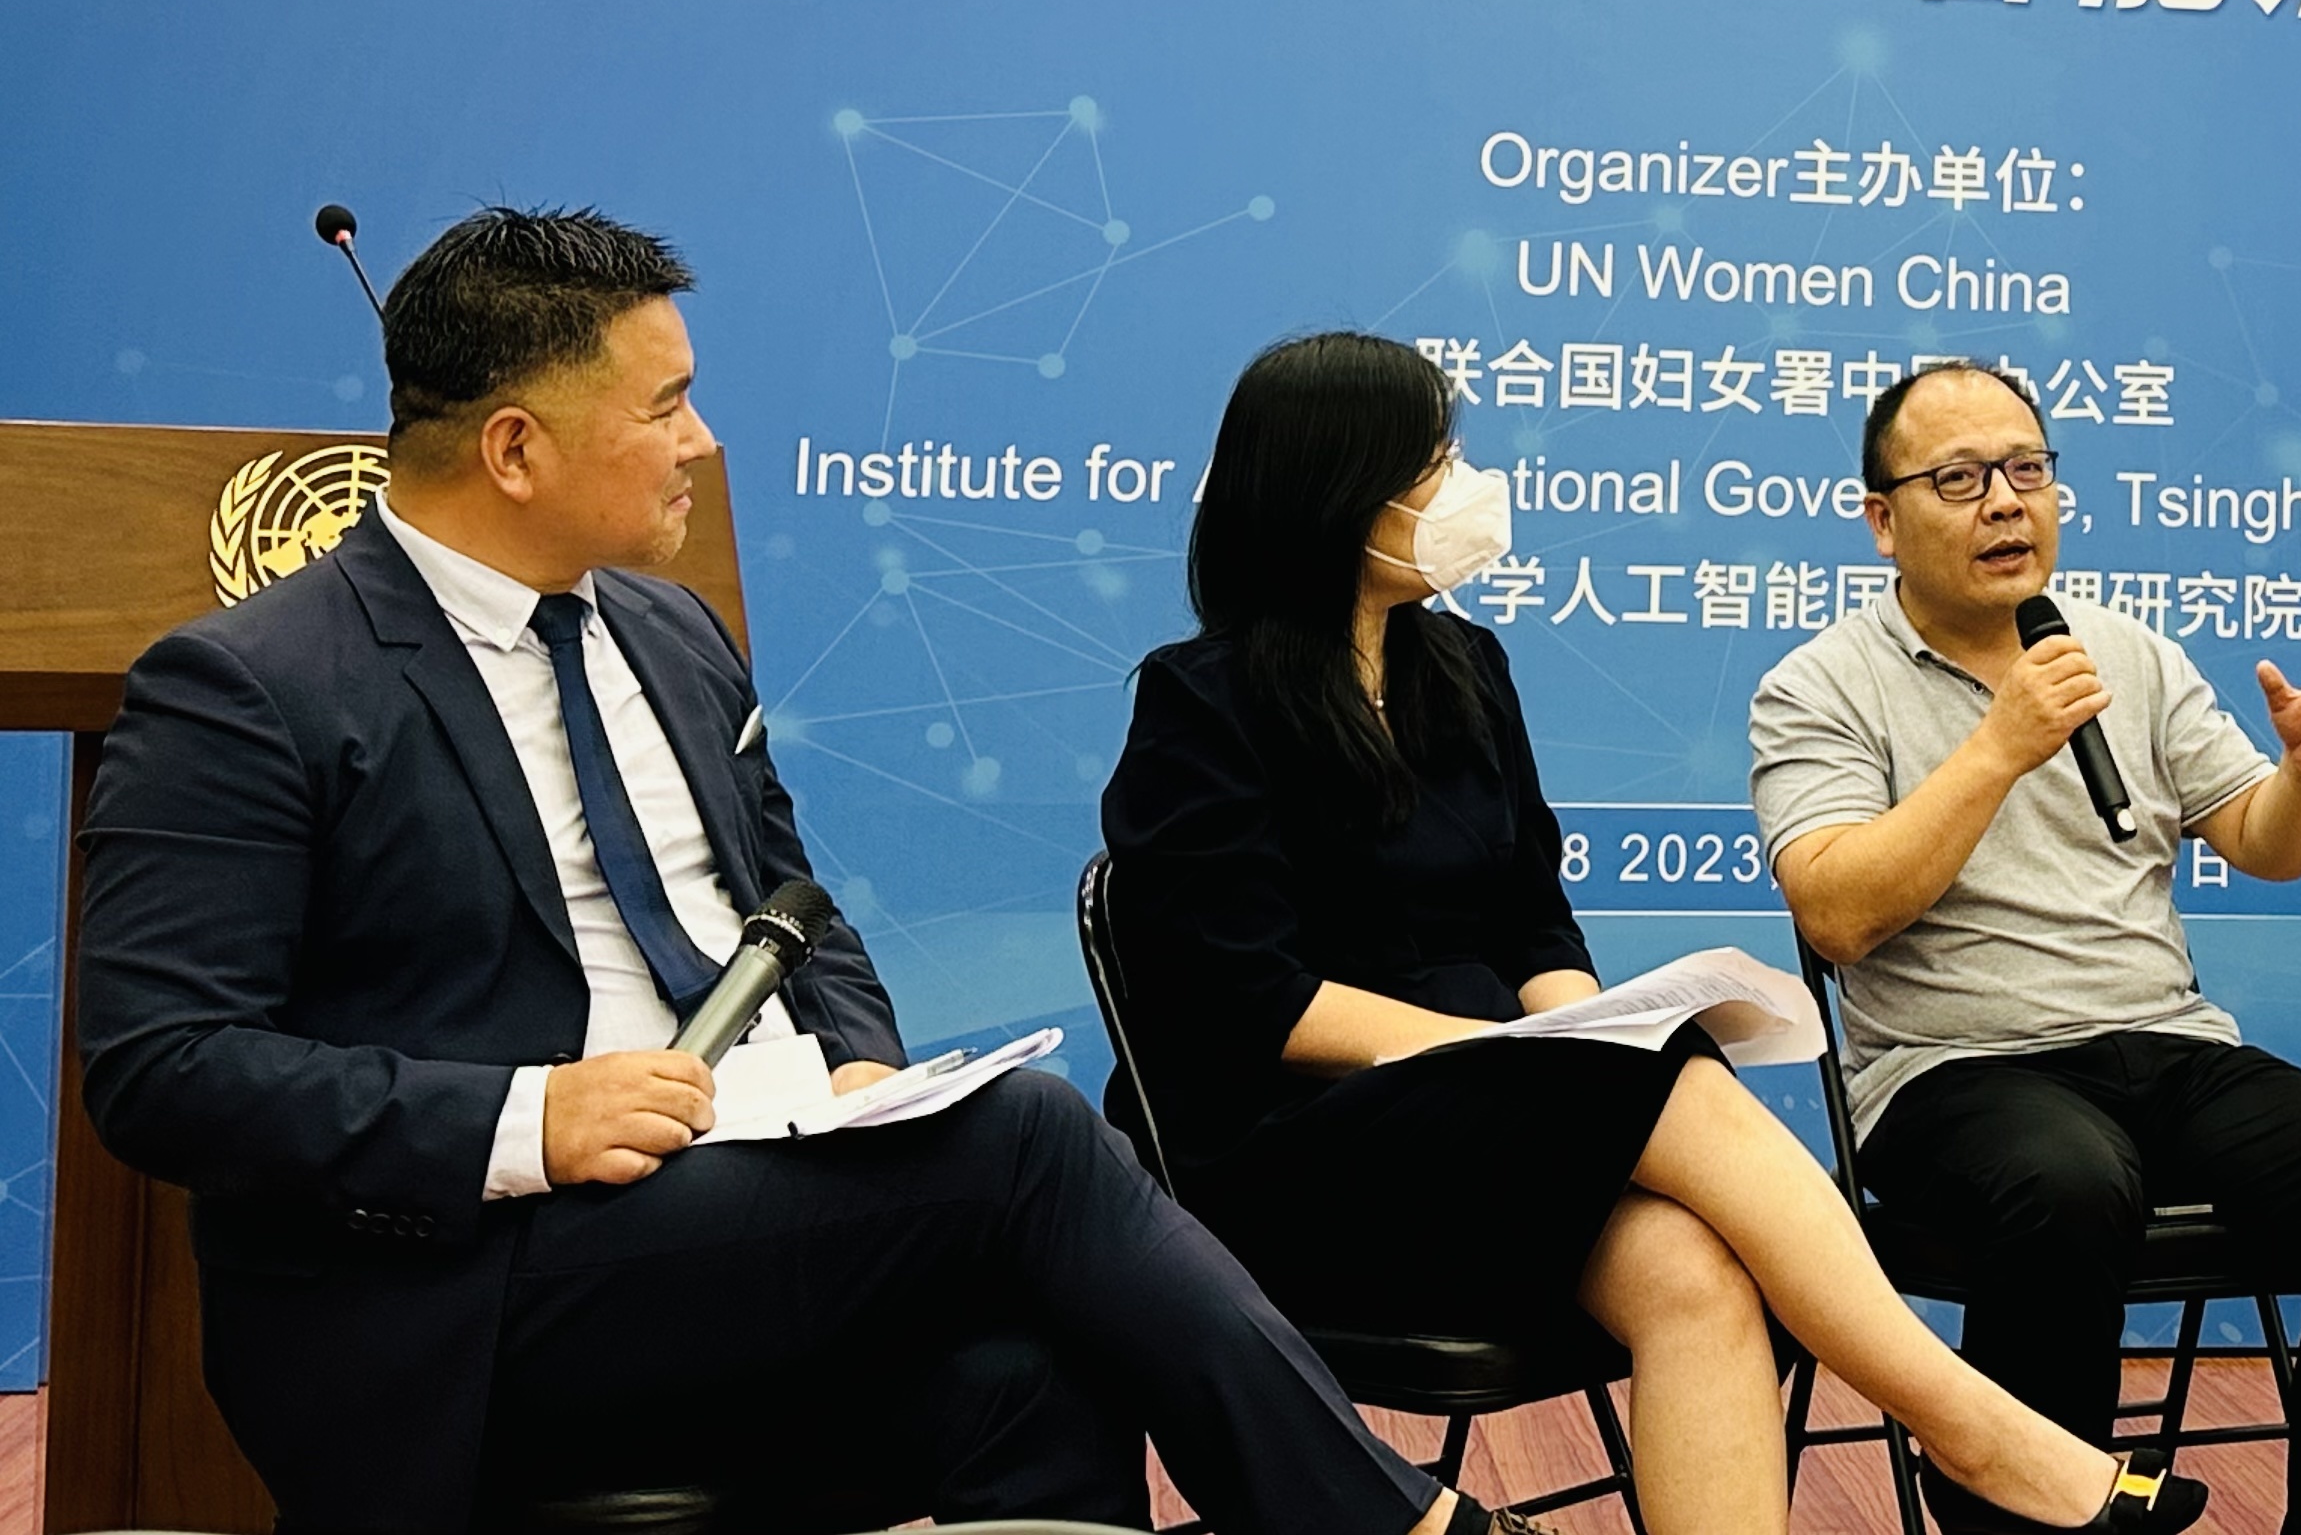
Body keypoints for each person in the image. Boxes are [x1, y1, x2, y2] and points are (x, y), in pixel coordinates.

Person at [74, 206, 1481, 1535]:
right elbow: (162, 1067)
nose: (702, 441)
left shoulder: (672, 633)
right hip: (466, 1286)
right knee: (1033, 1140)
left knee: (1041, 1372)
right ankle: (1403, 1525)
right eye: (665, 407)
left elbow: (792, 905)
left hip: (734, 1201)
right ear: (514, 449)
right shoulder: (252, 688)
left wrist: (864, 1068)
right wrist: (530, 1118)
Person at [1098, 330, 2202, 1535]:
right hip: (1293, 1154)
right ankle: (1979, 1434)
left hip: (1482, 1130)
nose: (1465, 486)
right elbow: (1252, 1001)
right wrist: (1511, 1062)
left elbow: (1531, 918)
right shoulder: (1199, 701)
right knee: (1653, 1070)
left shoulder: (1462, 666)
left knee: (1696, 1273)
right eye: (1434, 465)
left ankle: (1978, 1439)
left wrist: (1581, 1031)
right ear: (1338, 488)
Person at [1750, 359, 2301, 1535]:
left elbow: (2265, 844)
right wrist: (1998, 746)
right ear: (1881, 520)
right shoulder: (1817, 685)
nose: (2005, 502)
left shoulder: (2129, 653)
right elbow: (1835, 913)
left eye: (2026, 470)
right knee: (2068, 1182)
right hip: (1951, 1071)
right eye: (1960, 479)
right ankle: (2027, 1513)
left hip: (2165, 1046)